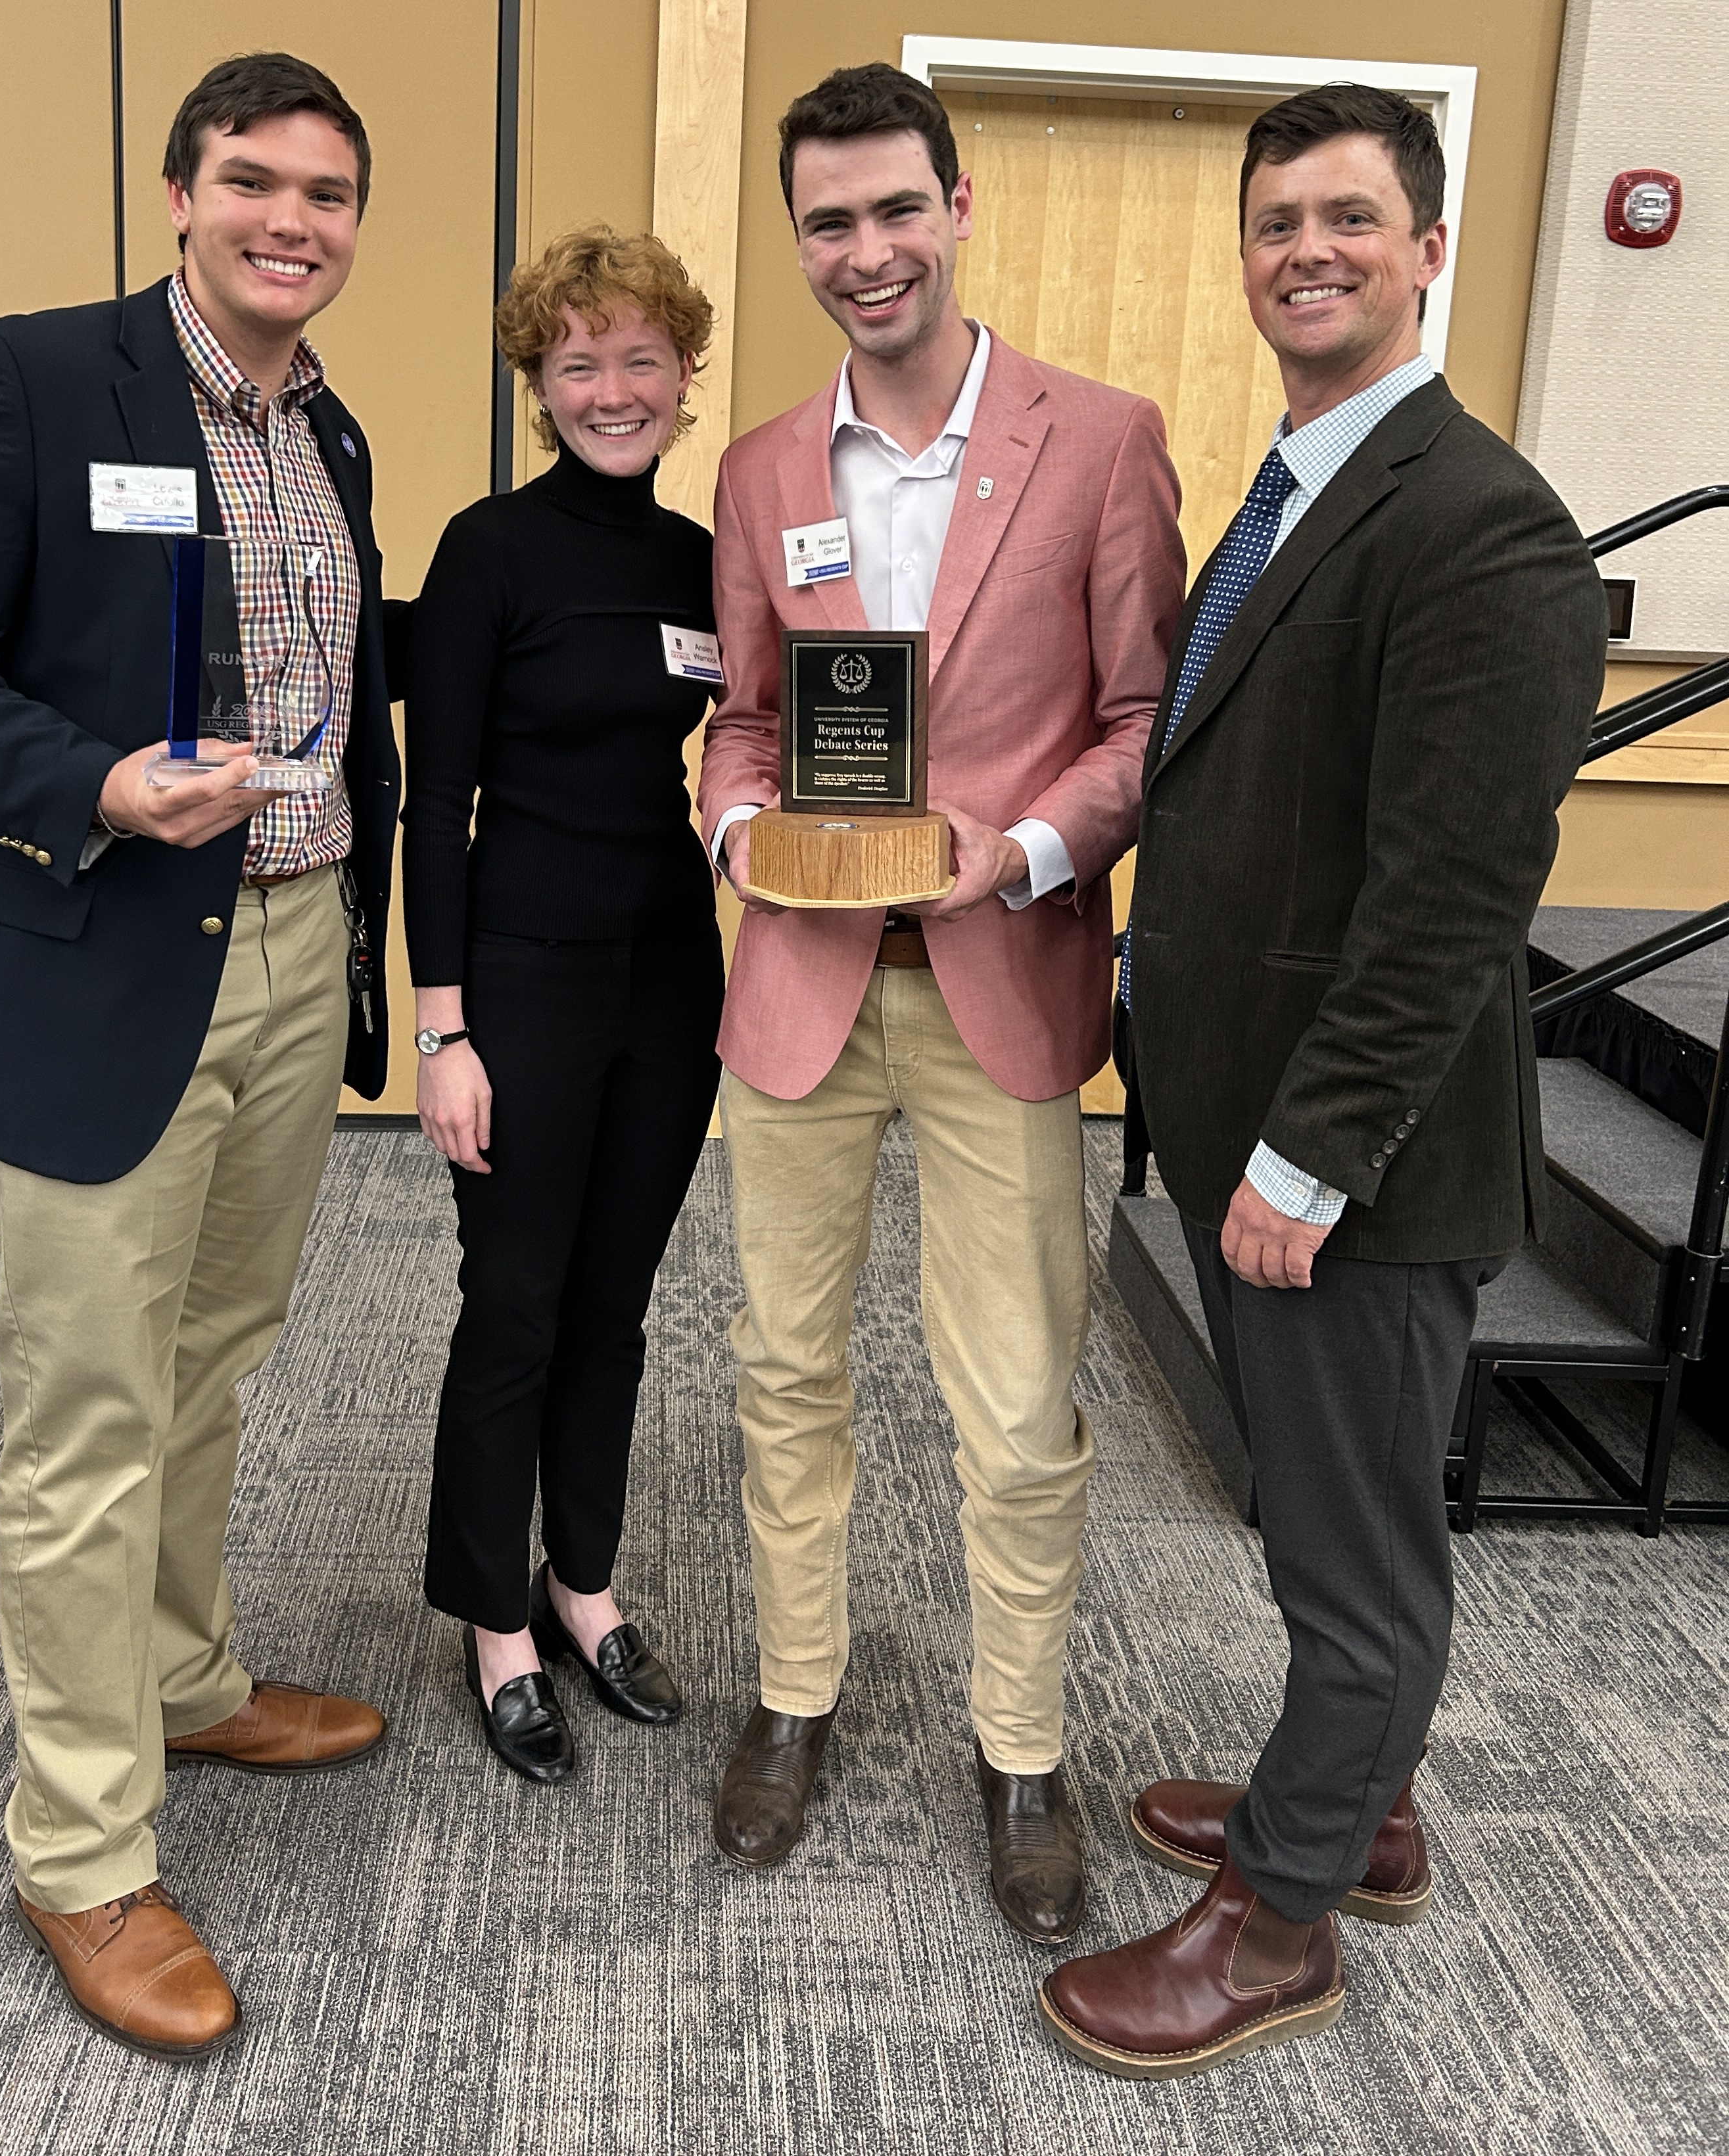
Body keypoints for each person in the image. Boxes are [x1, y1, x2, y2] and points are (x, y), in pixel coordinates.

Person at [0, 53, 407, 2061]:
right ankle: (82, 1850)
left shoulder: (328, 430)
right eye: (254, 181)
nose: (292, 220)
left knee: (217, 1359)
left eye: (328, 194)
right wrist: (87, 779)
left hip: (285, 947)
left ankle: (182, 1674)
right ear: (180, 193)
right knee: (87, 1417)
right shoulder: (32, 377)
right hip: (99, 954)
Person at [1039, 85, 1607, 2077]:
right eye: (1278, 220)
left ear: (1430, 246)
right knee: (1325, 1518)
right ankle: (1353, 1812)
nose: (1308, 251)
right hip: (1254, 1121)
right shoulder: (1296, 487)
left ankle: (1276, 1928)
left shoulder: (1480, 523)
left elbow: (1458, 894)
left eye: (1351, 218)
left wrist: (1308, 1153)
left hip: (1345, 1158)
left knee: (1358, 1553)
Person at [700, 64, 1185, 1942]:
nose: (866, 250)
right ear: (801, 238)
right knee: (782, 1372)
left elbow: (1148, 722)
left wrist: (1036, 851)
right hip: (808, 992)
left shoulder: (1099, 437)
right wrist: (741, 820)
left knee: (1016, 1405)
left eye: (897, 208)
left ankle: (1022, 1746)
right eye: (828, 220)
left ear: (958, 203)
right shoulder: (759, 469)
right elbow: (746, 711)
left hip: (1003, 982)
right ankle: (796, 1698)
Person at [404, 228, 723, 1784]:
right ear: (539, 383)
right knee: (515, 1303)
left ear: (682, 375)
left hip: (670, 977)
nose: (613, 389)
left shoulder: (702, 559)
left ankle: (579, 1581)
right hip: (517, 978)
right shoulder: (492, 550)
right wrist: (442, 1028)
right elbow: (436, 795)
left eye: (640, 359)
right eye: (578, 362)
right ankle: (492, 1618)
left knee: (617, 1306)